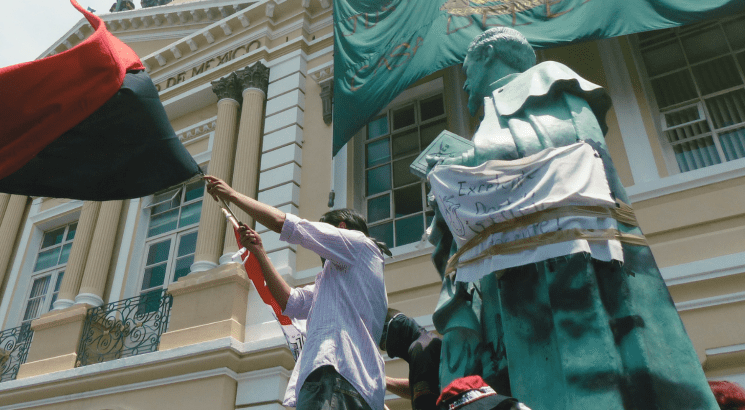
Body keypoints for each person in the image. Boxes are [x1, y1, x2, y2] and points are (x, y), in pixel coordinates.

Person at [425, 27, 719, 410]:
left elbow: (558, 148)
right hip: (515, 273)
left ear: (489, 53)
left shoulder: (548, 83)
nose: (464, 85)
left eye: (467, 68)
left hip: (570, 261)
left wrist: (461, 164)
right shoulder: (495, 113)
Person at [204, 175, 388, 410]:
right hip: (349, 383)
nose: (320, 251)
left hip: (337, 375)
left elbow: (288, 225)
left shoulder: (359, 243)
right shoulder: (336, 280)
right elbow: (289, 302)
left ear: (341, 228)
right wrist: (259, 252)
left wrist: (232, 195)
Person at [381, 311, 442, 409]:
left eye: (384, 344)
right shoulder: (428, 341)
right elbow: (419, 387)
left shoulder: (420, 349)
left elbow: (424, 403)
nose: (390, 354)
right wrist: (382, 380)